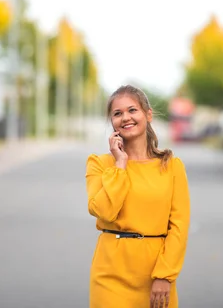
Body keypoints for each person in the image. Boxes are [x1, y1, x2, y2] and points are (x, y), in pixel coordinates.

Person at [85, 85, 191, 308]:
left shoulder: (172, 166)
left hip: (155, 274)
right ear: (112, 122)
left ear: (148, 114)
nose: (125, 118)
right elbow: (104, 211)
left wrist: (165, 274)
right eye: (117, 113)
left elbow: (179, 227)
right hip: (110, 275)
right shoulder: (99, 164)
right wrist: (120, 164)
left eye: (132, 110)